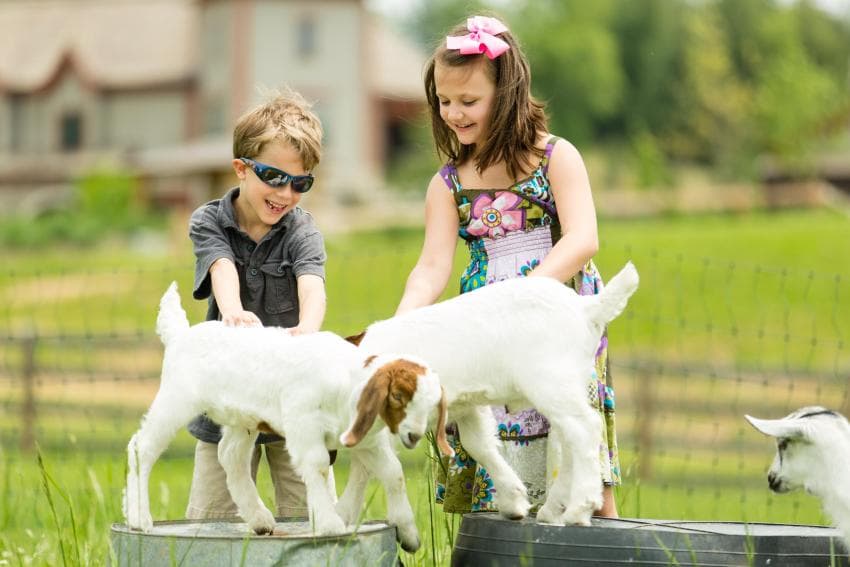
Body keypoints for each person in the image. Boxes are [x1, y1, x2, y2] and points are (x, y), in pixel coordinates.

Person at [394, 15, 620, 518]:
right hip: (487, 332)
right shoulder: (448, 184)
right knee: (495, 436)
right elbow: (431, 267)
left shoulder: (554, 158)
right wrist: (401, 324)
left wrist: (525, 298)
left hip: (557, 312)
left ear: (508, 92)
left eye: (468, 101)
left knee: (570, 422)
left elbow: (583, 239)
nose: (453, 113)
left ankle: (599, 540)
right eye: (444, 102)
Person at [184, 87, 327, 521]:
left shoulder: (303, 231)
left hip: (292, 394)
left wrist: (309, 329)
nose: (285, 193)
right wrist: (231, 311)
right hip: (229, 392)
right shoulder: (209, 221)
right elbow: (221, 268)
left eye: (300, 183)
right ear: (241, 169)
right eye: (274, 177)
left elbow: (312, 284)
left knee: (310, 508)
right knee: (213, 514)